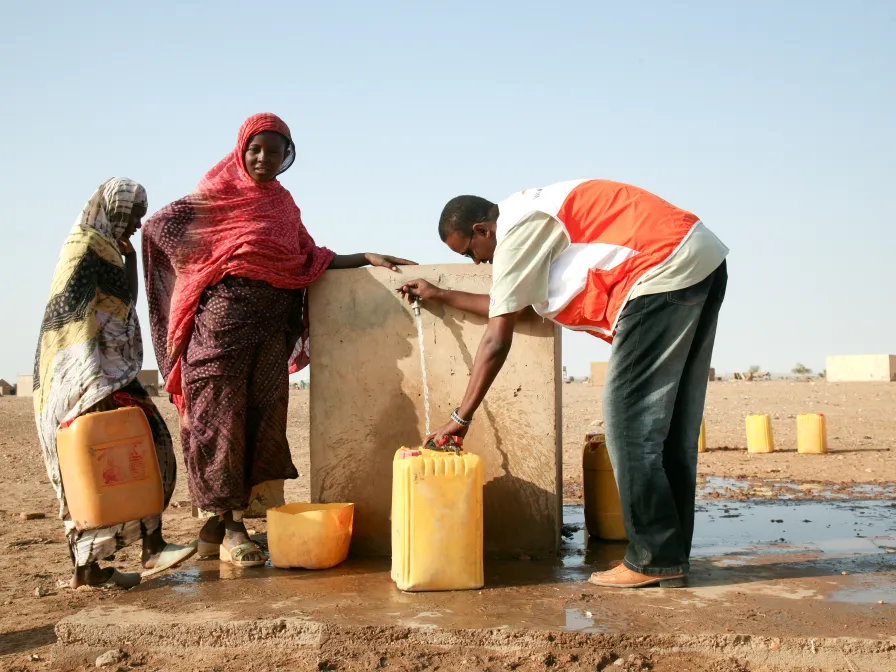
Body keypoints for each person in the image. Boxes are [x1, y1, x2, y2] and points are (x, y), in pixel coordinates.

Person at [399, 179, 727, 588]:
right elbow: (511, 309)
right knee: (671, 429)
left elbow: (497, 338)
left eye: (469, 250)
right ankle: (669, 554)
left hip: (659, 271)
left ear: (483, 230)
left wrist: (460, 418)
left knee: (629, 425)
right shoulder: (530, 219)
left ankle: (652, 558)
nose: (475, 262)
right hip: (697, 259)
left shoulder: (518, 231)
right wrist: (441, 294)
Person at [143, 113, 415, 568]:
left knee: (260, 424)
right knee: (219, 425)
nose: (264, 158)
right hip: (219, 333)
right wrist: (199, 272)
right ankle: (232, 529)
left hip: (271, 331)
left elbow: (308, 256)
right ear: (240, 151)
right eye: (256, 149)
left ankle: (214, 531)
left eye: (274, 150)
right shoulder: (214, 198)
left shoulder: (283, 205)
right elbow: (158, 229)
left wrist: (364, 256)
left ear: (287, 156)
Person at [34, 178, 195, 589]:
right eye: (132, 215)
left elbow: (122, 303)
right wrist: (91, 377)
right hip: (87, 375)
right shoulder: (85, 247)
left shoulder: (100, 245)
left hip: (100, 372)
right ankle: (151, 546)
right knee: (142, 450)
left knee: (90, 471)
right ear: (113, 210)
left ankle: (90, 569)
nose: (137, 224)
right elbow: (75, 319)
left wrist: (130, 258)